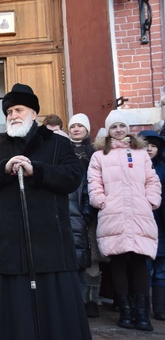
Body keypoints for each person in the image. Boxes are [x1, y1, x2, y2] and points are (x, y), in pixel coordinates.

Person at [0, 83, 91, 339]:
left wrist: (38, 170)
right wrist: (3, 169)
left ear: (34, 113)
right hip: (9, 249)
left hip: (50, 246)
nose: (13, 115)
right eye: (9, 112)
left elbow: (73, 176)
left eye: (19, 110)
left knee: (56, 319)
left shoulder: (57, 144)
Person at [88, 110, 161, 331]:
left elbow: (152, 180)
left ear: (128, 129)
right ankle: (126, 311)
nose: (119, 130)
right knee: (118, 260)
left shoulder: (140, 153)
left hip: (140, 213)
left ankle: (142, 312)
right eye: (114, 127)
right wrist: (101, 201)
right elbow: (94, 182)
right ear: (108, 131)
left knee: (140, 259)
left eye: (122, 126)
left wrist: (150, 201)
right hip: (113, 213)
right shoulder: (100, 155)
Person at [67, 113, 100, 317]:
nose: (76, 129)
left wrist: (90, 209)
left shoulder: (95, 151)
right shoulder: (64, 150)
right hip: (70, 209)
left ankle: (93, 300)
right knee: (74, 254)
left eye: (80, 126)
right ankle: (77, 300)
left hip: (90, 209)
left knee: (92, 257)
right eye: (73, 126)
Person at [138, 130, 165, 321]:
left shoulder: (163, 168)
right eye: (146, 145)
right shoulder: (135, 167)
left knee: (162, 269)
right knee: (144, 268)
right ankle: (143, 308)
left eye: (154, 146)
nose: (149, 149)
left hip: (161, 224)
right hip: (143, 223)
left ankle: (160, 308)